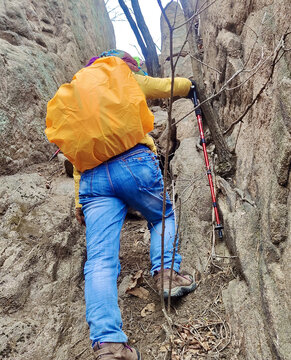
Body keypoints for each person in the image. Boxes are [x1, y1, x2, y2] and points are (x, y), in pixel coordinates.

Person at [73, 50, 196, 360]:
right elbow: (167, 86)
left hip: (92, 178)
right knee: (162, 215)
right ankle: (167, 274)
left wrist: (78, 200)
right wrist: (189, 84)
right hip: (134, 163)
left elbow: (76, 150)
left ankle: (110, 346)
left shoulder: (80, 91)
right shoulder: (124, 75)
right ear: (126, 62)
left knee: (99, 260)